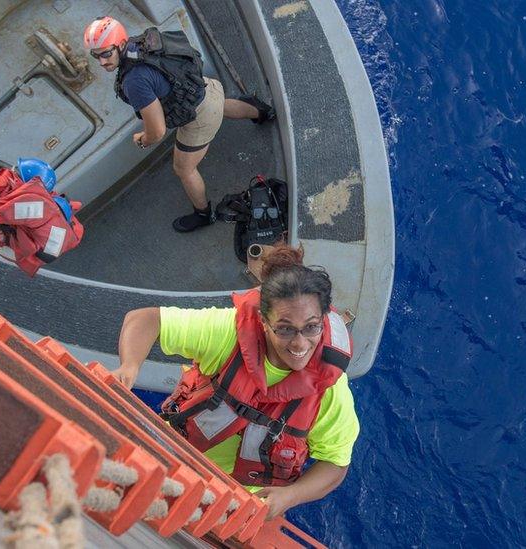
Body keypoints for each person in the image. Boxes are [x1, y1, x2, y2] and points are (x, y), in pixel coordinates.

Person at [111, 244, 359, 519]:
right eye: (285, 328)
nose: (300, 343)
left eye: (311, 327)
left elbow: (336, 463)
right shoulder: (229, 334)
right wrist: (129, 368)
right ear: (264, 321)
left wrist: (291, 496)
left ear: (323, 322)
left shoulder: (330, 389)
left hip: (236, 504)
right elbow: (146, 320)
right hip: (169, 455)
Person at [83, 16, 275, 233]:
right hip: (206, 88)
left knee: (184, 168)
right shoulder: (142, 44)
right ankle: (262, 111)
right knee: (219, 105)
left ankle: (203, 214)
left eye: (106, 53)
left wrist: (143, 140)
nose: (102, 62)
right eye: (95, 55)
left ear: (119, 45)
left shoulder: (134, 82)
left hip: (198, 118)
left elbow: (157, 131)